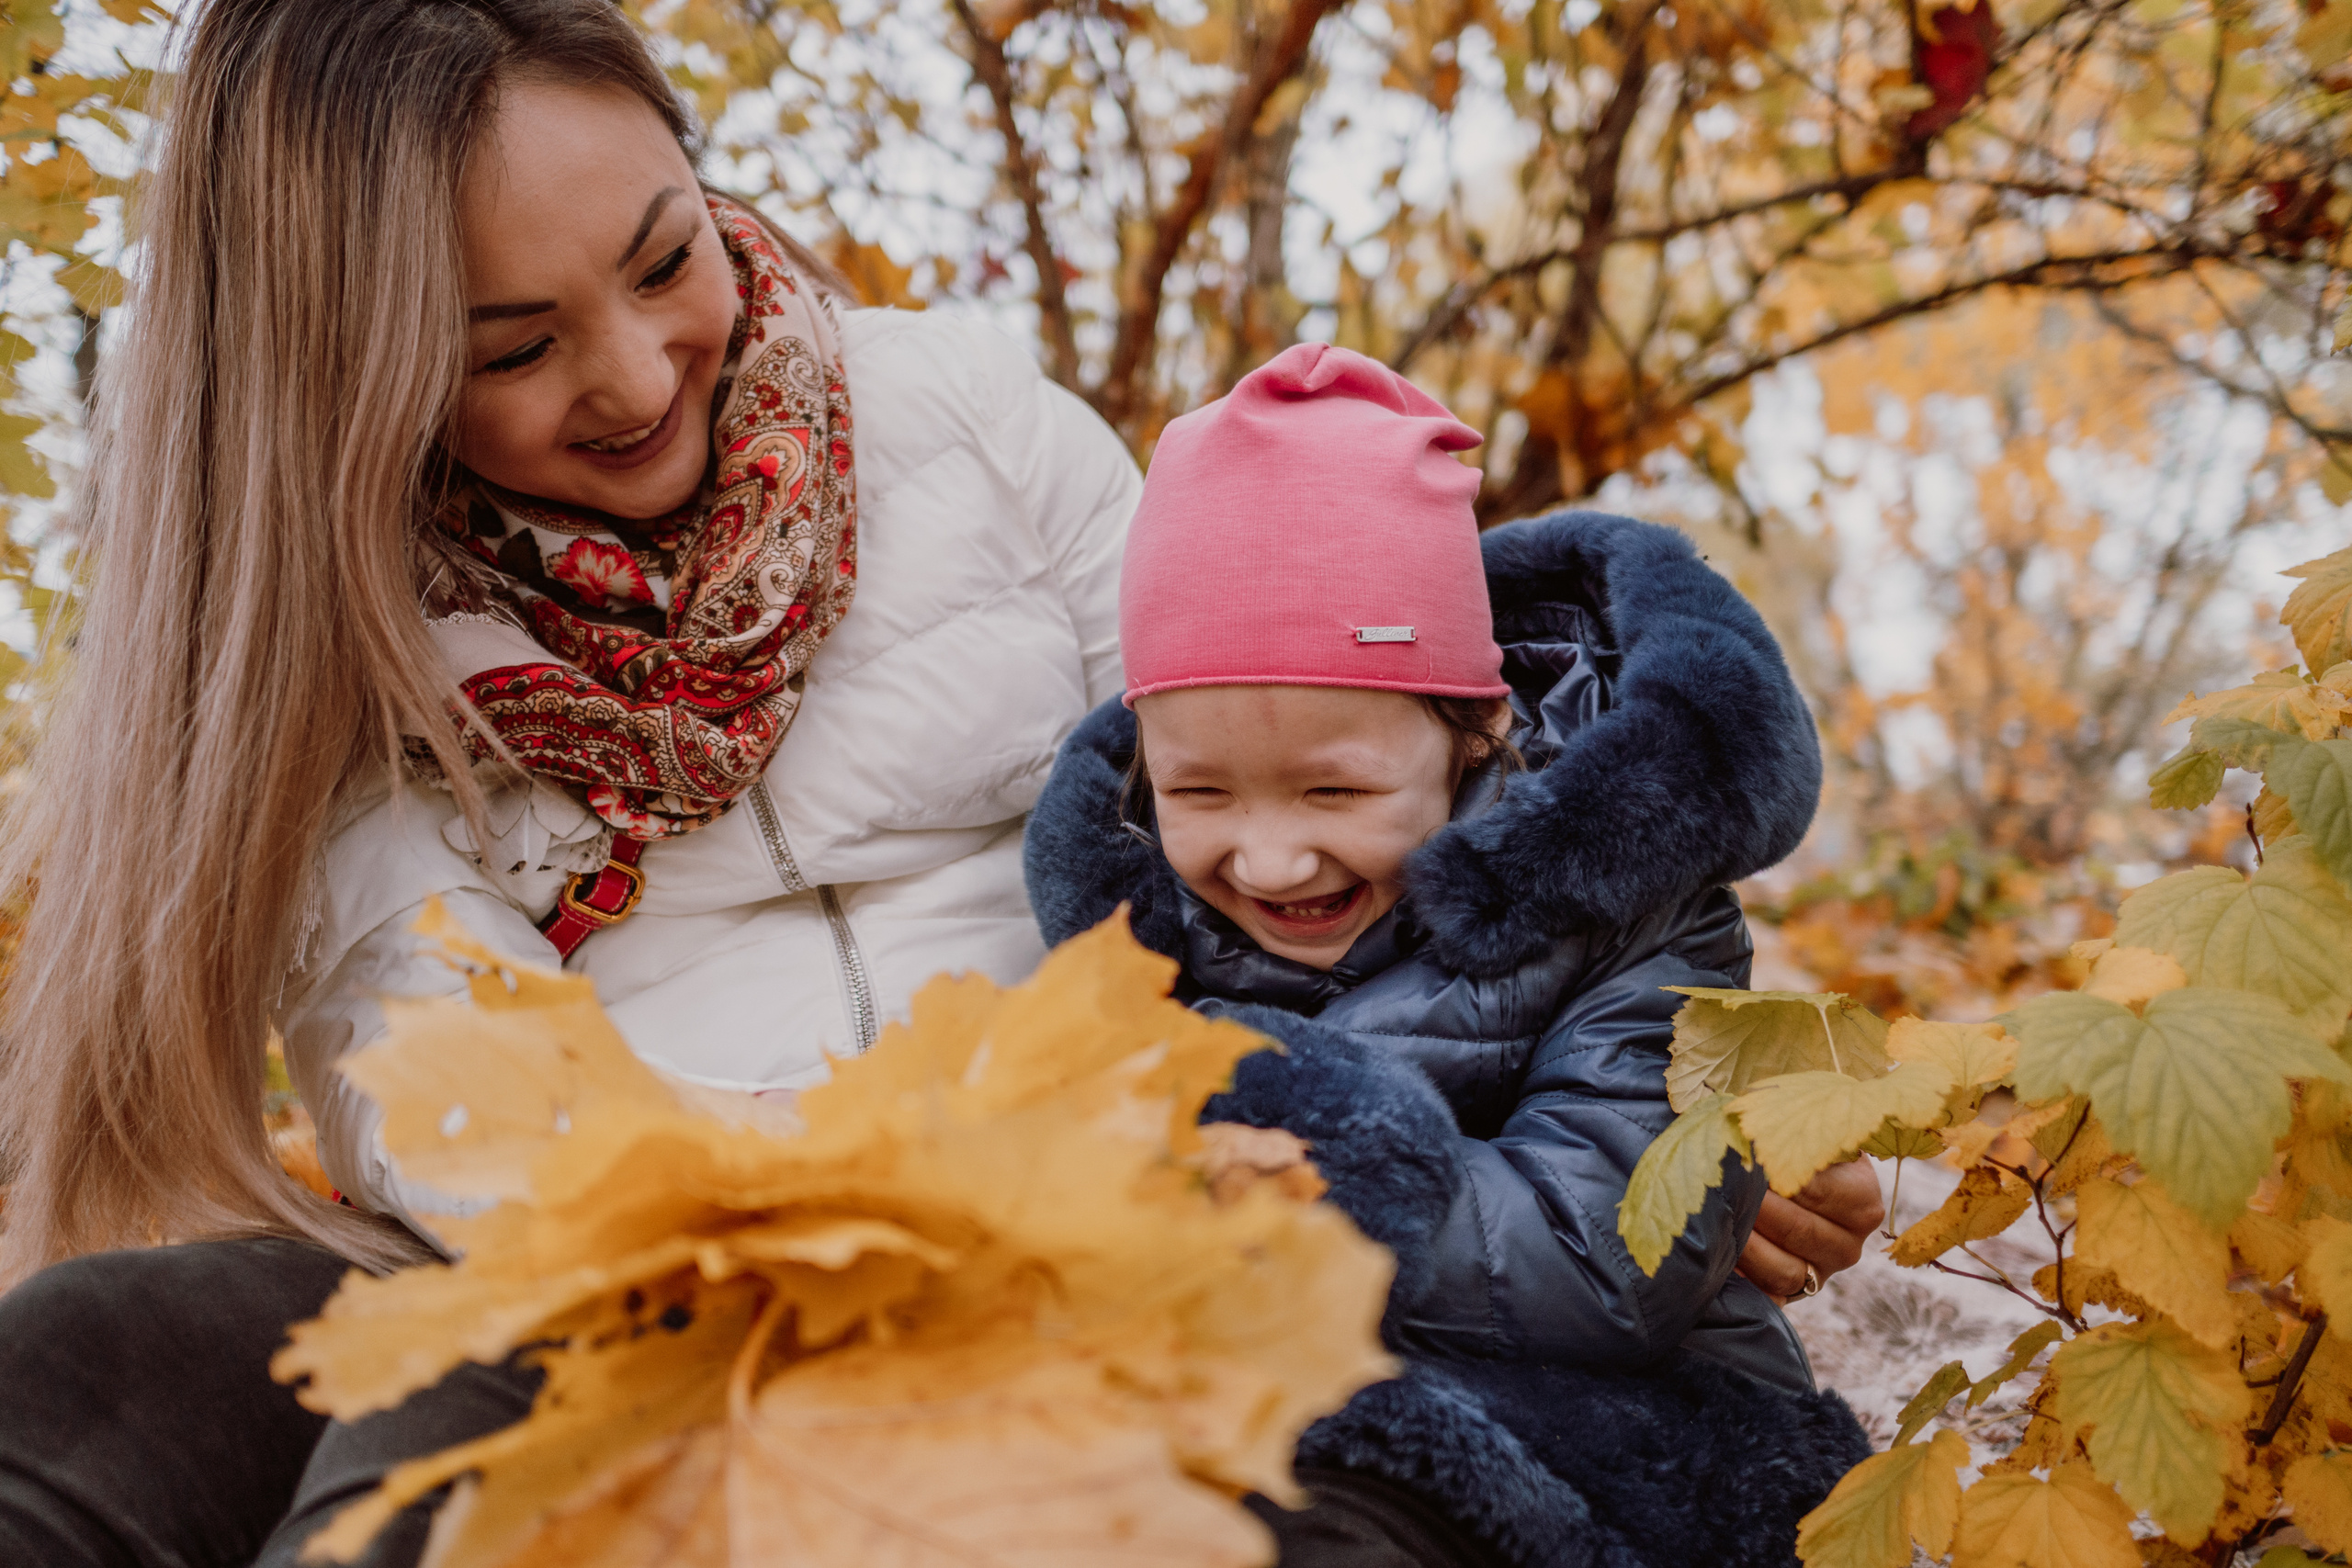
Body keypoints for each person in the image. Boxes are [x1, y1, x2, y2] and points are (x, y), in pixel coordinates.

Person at [0, 3, 1876, 1564]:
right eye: (512, 350)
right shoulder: (332, 646)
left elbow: (1266, 804)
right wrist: (838, 1226)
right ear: (362, 377)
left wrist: (1653, 1114)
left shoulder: (966, 420)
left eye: (667, 257)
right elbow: (477, 1118)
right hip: (647, 1262)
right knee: (105, 1365)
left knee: (482, 1447)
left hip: (1096, 1220)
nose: (642, 368)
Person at [1023, 344, 1874, 1565]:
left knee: (1331, 1488)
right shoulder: (1142, 939)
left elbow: (1611, 1251)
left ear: (1475, 731)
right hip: (1295, 1387)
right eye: (1198, 791)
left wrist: (1302, 1147)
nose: (1267, 861)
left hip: (1632, 1420)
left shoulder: (1630, 909)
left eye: (1332, 789)